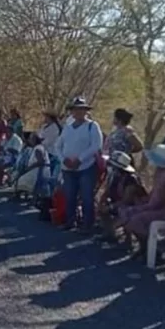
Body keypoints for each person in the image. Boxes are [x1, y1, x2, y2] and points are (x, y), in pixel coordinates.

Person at [118, 144, 165, 259]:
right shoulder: (160, 173)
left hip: (164, 210)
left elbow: (157, 202)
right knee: (127, 211)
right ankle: (143, 246)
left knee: (135, 218)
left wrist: (139, 207)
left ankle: (153, 249)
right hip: (156, 206)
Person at [55, 97, 103, 233]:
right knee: (69, 195)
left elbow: (96, 145)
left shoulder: (92, 126)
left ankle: (88, 225)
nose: (78, 112)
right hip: (67, 167)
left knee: (87, 196)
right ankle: (70, 221)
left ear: (86, 111)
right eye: (76, 109)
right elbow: (58, 145)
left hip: (86, 167)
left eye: (82, 109)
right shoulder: (67, 128)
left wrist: (80, 159)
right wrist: (63, 159)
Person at [97, 151, 146, 243]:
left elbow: (126, 200)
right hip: (119, 203)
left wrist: (110, 207)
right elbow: (107, 191)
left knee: (122, 211)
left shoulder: (131, 180)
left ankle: (129, 240)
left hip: (134, 205)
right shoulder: (115, 176)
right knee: (103, 209)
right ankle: (110, 233)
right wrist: (101, 203)